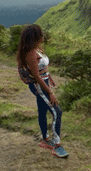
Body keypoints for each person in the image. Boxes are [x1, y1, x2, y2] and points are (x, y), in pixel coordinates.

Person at [16, 24, 68, 158]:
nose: (43, 36)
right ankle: (56, 145)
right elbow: (37, 76)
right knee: (57, 112)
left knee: (43, 110)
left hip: (43, 83)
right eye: (40, 34)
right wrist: (50, 92)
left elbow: (41, 72)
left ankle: (45, 140)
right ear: (35, 37)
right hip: (39, 85)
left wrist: (48, 80)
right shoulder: (31, 54)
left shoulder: (35, 49)